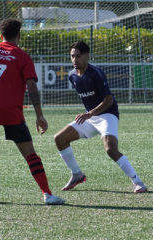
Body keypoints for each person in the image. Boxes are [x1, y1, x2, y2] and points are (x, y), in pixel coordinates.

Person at [0, 19, 65, 205]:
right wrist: (39, 115)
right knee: (30, 153)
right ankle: (47, 194)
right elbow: (31, 87)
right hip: (11, 111)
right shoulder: (22, 57)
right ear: (19, 35)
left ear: (0, 35)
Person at [54, 41, 147, 193]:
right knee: (59, 138)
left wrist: (89, 113)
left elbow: (108, 100)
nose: (75, 60)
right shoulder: (72, 75)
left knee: (110, 149)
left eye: (78, 56)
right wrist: (89, 115)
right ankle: (77, 174)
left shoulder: (96, 73)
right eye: (72, 56)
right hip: (90, 118)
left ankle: (137, 182)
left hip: (107, 115)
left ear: (87, 56)